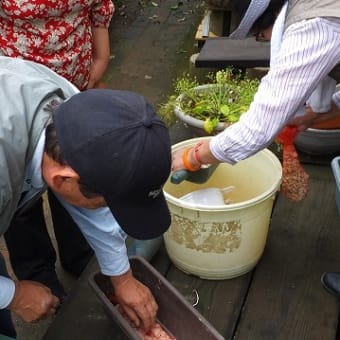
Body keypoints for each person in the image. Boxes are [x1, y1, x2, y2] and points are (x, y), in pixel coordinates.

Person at [0, 0, 163, 303]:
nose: (105, 208)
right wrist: (14, 295)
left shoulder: (68, 100)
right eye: (104, 201)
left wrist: (123, 279)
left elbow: (98, 211)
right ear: (61, 180)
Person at [172, 0, 340, 291]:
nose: (263, 41)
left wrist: (193, 158)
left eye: (261, 36)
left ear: (271, 19)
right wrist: (319, 113)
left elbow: (257, 130)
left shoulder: (313, 24)